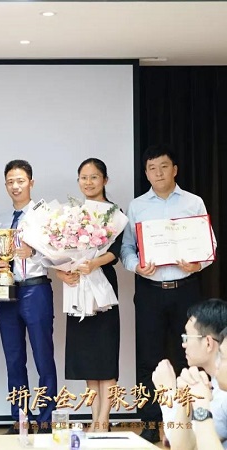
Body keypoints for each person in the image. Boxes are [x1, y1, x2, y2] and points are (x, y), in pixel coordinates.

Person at [121, 145, 217, 443]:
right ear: (146, 173)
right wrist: (137, 266)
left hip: (186, 290)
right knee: (148, 357)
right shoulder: (137, 206)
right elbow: (127, 248)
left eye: (163, 166)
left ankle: (192, 421)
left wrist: (198, 263)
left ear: (174, 169)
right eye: (152, 168)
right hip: (150, 291)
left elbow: (210, 246)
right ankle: (150, 422)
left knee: (191, 356)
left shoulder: (193, 202)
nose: (158, 173)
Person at [57, 158, 122, 432]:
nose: (88, 182)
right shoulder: (72, 214)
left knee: (105, 355)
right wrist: (63, 272)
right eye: (83, 177)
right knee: (87, 358)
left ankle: (104, 420)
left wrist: (94, 263)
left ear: (105, 180)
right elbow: (59, 253)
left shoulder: (115, 214)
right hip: (78, 286)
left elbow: (116, 252)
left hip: (103, 285)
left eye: (94, 177)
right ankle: (94, 418)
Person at [0, 160, 57, 434]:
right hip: (7, 292)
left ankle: (46, 418)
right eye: (10, 182)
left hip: (35, 288)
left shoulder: (45, 215)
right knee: (14, 358)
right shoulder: (1, 219)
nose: (15, 186)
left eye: (20, 181)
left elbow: (58, 253)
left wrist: (35, 252)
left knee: (43, 356)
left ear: (31, 182)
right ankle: (20, 418)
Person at [152, 298, 227, 449]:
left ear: (208, 343)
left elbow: (184, 444)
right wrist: (184, 400)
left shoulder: (222, 396)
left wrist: (167, 393)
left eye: (187, 337)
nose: (183, 344)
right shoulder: (214, 385)